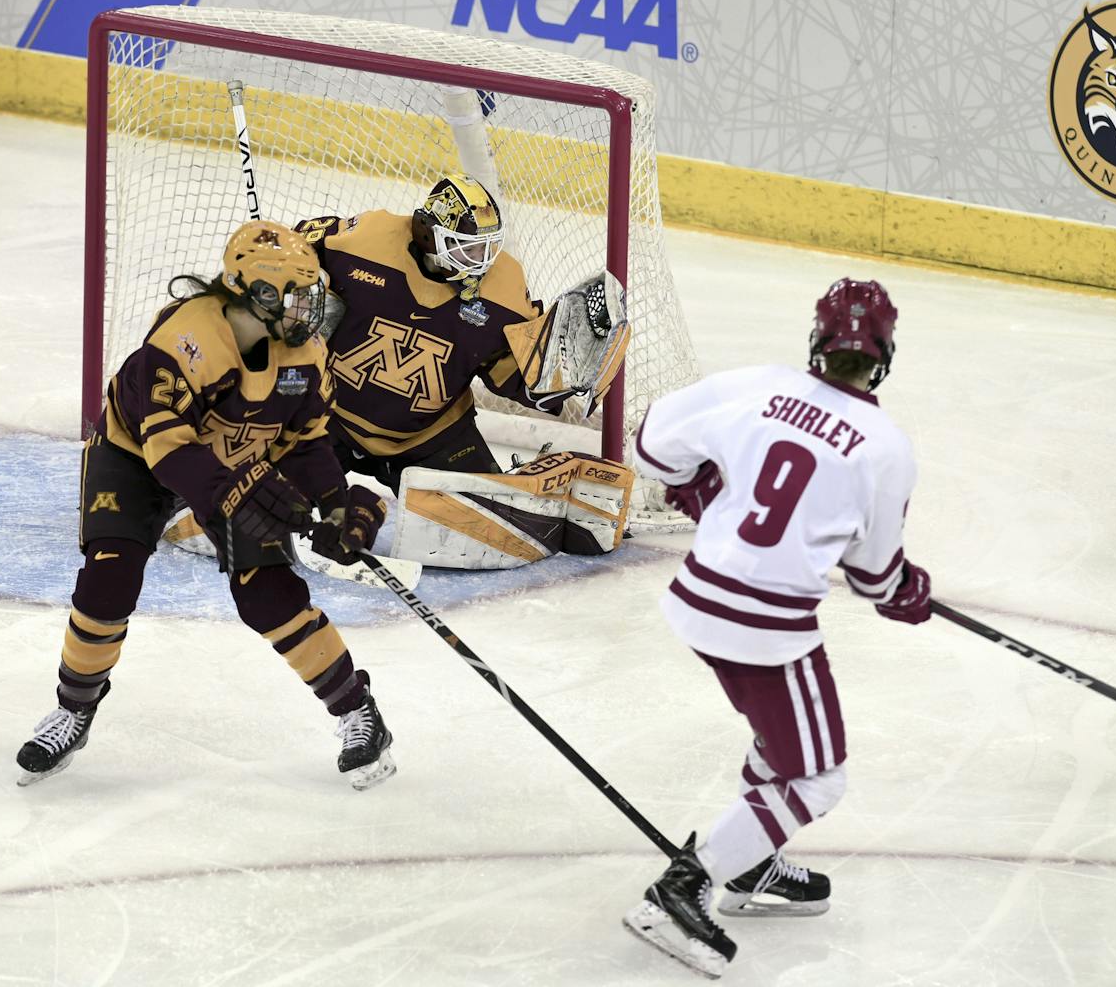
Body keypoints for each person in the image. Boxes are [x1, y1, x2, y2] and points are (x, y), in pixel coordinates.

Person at [15, 221, 396, 792]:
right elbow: (168, 455)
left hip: (234, 461)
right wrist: (239, 491)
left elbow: (310, 441)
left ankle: (358, 714)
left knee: (269, 597)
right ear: (259, 296)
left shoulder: (306, 355)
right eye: (299, 294)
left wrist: (336, 506)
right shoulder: (178, 346)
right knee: (108, 580)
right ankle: (74, 709)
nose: (313, 309)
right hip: (136, 458)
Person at [622, 279, 932, 977]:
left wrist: (700, 488)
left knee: (782, 742)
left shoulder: (759, 386)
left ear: (817, 342)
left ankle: (750, 863)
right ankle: (685, 886)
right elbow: (876, 577)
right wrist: (907, 590)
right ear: (884, 354)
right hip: (766, 625)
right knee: (819, 777)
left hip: (700, 596)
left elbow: (650, 442)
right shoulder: (886, 446)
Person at [295, 172, 626, 494]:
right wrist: (294, 282)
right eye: (467, 248)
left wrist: (562, 374)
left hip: (431, 438)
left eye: (486, 249)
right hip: (327, 418)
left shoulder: (503, 290)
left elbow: (514, 374)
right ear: (428, 234)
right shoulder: (364, 243)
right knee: (258, 496)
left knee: (494, 518)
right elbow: (292, 248)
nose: (481, 263)